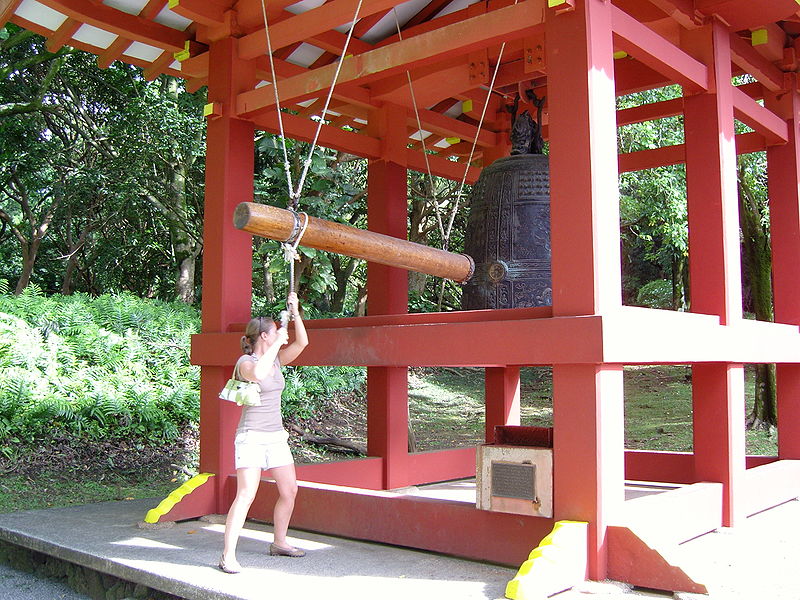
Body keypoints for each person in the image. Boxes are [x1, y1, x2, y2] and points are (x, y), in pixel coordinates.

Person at [219, 292, 309, 574]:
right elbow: (257, 373)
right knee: (246, 494)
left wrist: (295, 314)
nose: (279, 334)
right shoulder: (244, 362)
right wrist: (275, 346)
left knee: (289, 489)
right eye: (275, 332)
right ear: (265, 337)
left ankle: (279, 542)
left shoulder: (277, 360)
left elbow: (303, 343)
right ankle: (227, 555)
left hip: (276, 436)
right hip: (252, 437)